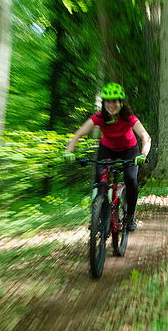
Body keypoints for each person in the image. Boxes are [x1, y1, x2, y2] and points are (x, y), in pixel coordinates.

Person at [64, 82, 151, 231]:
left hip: (129, 149)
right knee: (100, 178)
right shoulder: (99, 117)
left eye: (115, 101)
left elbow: (145, 136)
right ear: (104, 103)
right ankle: (98, 216)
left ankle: (130, 216)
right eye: (108, 101)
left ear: (121, 103)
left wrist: (143, 154)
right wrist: (69, 151)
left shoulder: (129, 118)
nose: (112, 105)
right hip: (107, 149)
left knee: (130, 179)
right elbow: (79, 133)